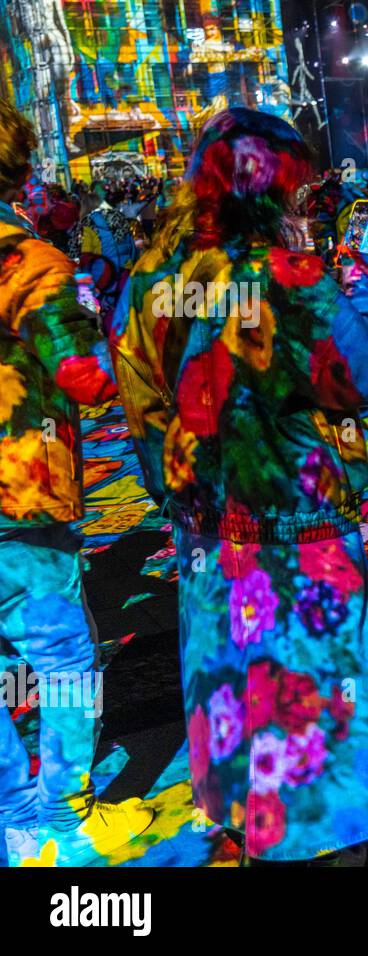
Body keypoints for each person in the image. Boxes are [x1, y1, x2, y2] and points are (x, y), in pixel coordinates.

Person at [112, 108, 368, 865]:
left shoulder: (153, 275)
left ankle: (248, 815)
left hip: (208, 524)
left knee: (231, 675)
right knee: (322, 684)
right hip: (299, 516)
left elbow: (136, 391)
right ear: (270, 187)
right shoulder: (284, 274)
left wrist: (173, 489)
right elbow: (358, 379)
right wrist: (356, 287)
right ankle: (325, 837)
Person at [0, 97, 154, 867]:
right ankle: (65, 816)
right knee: (60, 662)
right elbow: (86, 375)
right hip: (17, 498)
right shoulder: (24, 260)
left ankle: (14, 818)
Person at [72, 180, 138, 325]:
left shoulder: (86, 227)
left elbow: (83, 262)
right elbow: (133, 249)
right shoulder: (119, 220)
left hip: (105, 283)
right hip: (126, 277)